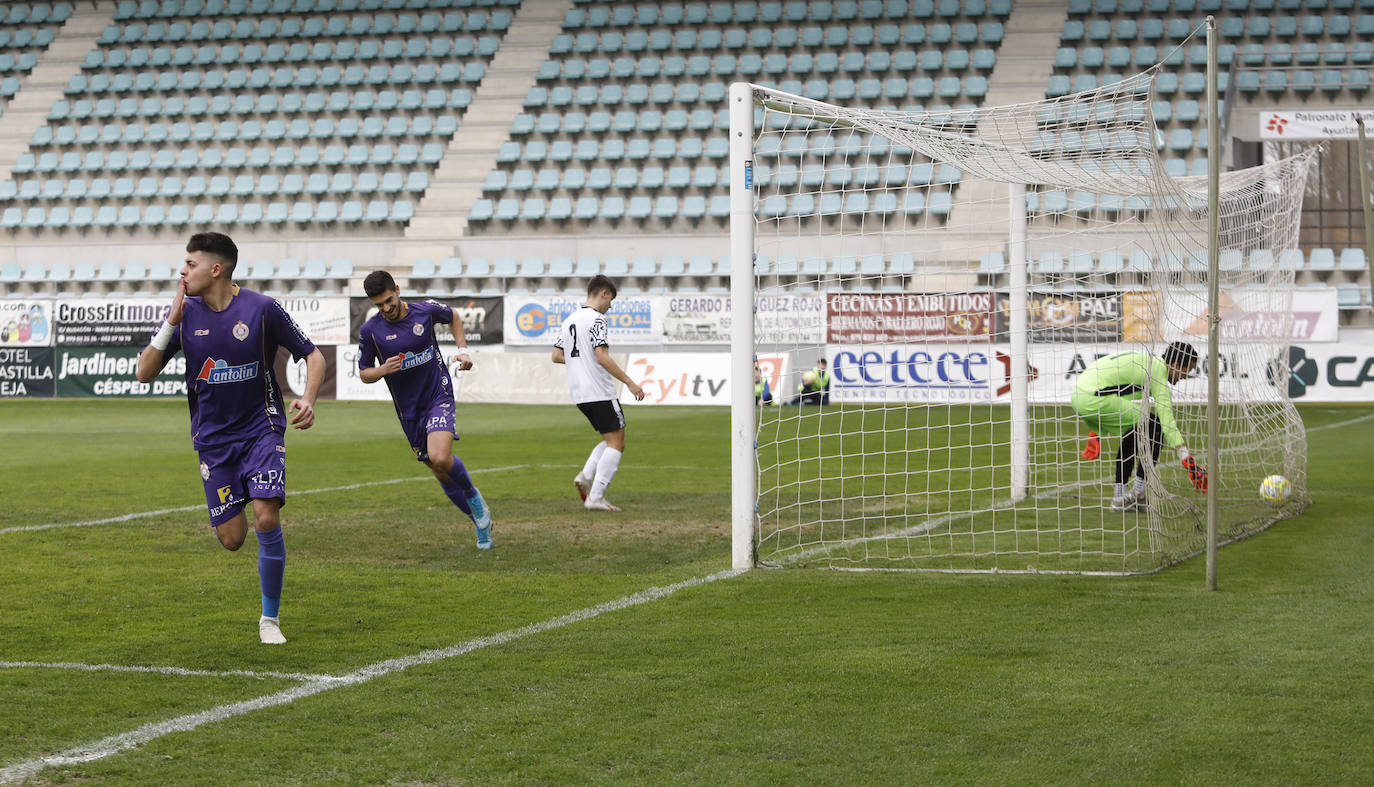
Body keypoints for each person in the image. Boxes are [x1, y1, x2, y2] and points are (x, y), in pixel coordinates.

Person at [135, 232, 324, 644]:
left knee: (266, 515)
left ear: (216, 269)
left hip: (262, 428)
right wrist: (170, 322)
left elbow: (313, 355)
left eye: (191, 264)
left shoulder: (262, 309)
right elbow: (143, 373)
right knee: (233, 539)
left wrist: (308, 399)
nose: (183, 272)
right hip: (213, 440)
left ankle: (269, 620)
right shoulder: (185, 315)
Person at [356, 271, 492, 550]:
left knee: (441, 456)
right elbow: (364, 373)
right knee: (440, 472)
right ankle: (480, 523)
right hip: (409, 410)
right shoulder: (370, 331)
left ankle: (473, 496)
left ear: (397, 289)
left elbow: (454, 316)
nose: (386, 308)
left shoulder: (425, 311)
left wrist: (463, 350)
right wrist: (383, 370)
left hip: (437, 393)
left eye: (389, 300)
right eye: (379, 305)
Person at [1071, 341, 1208, 512]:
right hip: (1093, 399)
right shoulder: (1157, 372)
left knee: (1136, 431)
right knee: (1156, 427)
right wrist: (1189, 463)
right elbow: (1168, 422)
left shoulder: (1149, 363)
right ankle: (1138, 492)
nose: (1185, 377)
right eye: (1186, 370)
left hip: (1082, 395)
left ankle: (1120, 497)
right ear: (1175, 365)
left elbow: (1118, 388)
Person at [552, 275, 646, 511]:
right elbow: (601, 356)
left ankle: (585, 476)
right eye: (610, 300)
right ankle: (595, 496)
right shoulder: (597, 320)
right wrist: (630, 383)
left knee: (610, 439)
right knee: (617, 442)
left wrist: (581, 362)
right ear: (603, 293)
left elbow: (556, 355)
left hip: (580, 394)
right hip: (600, 391)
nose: (610, 307)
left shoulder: (569, 320)